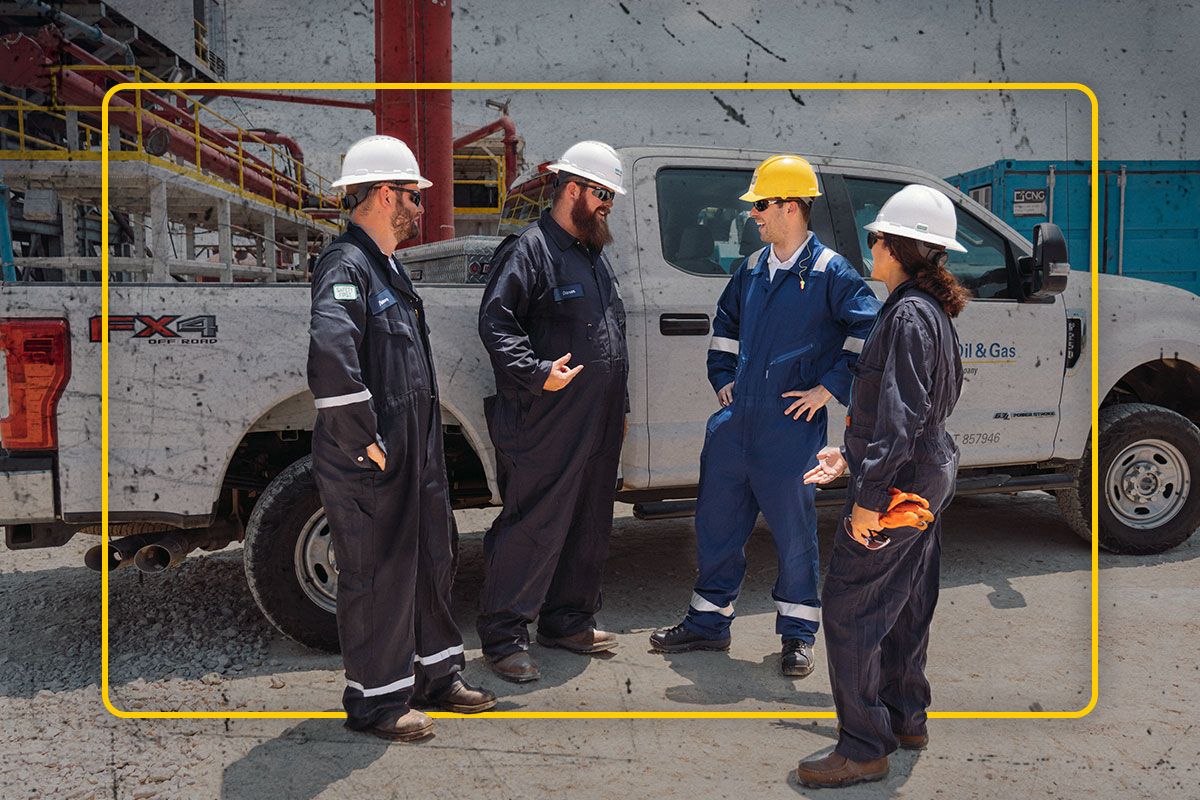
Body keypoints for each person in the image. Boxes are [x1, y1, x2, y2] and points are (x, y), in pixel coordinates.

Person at [650, 155, 881, 678]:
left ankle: (798, 636)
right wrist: (722, 377)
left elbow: (869, 330)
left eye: (761, 204)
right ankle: (708, 623)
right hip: (736, 426)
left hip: (789, 428)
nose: (754, 214)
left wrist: (829, 388)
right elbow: (725, 325)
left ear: (792, 207)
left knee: (795, 537)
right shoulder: (750, 268)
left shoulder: (831, 272)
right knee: (715, 526)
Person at [308, 134, 495, 742]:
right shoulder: (346, 266)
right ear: (386, 193)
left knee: (431, 556)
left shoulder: (386, 265)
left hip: (414, 451)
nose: (420, 207)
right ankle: (377, 702)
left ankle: (437, 675)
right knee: (376, 573)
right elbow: (332, 355)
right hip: (371, 455)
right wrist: (363, 437)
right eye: (414, 196)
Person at [795, 184, 970, 788]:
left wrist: (868, 501)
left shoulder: (905, 316)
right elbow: (911, 413)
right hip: (926, 474)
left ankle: (864, 745)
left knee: (849, 608)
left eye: (875, 236)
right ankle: (903, 716)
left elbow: (899, 419)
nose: (868, 244)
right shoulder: (929, 312)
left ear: (896, 245)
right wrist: (848, 457)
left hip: (899, 486)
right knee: (905, 599)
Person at [476, 140, 630, 683]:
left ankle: (567, 620)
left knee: (589, 518)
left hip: (597, 416)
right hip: (547, 416)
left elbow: (610, 333)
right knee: (534, 523)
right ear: (573, 190)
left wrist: (621, 407)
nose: (609, 203)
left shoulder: (591, 254)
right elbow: (496, 323)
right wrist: (537, 370)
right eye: (603, 193)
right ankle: (502, 637)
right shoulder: (531, 249)